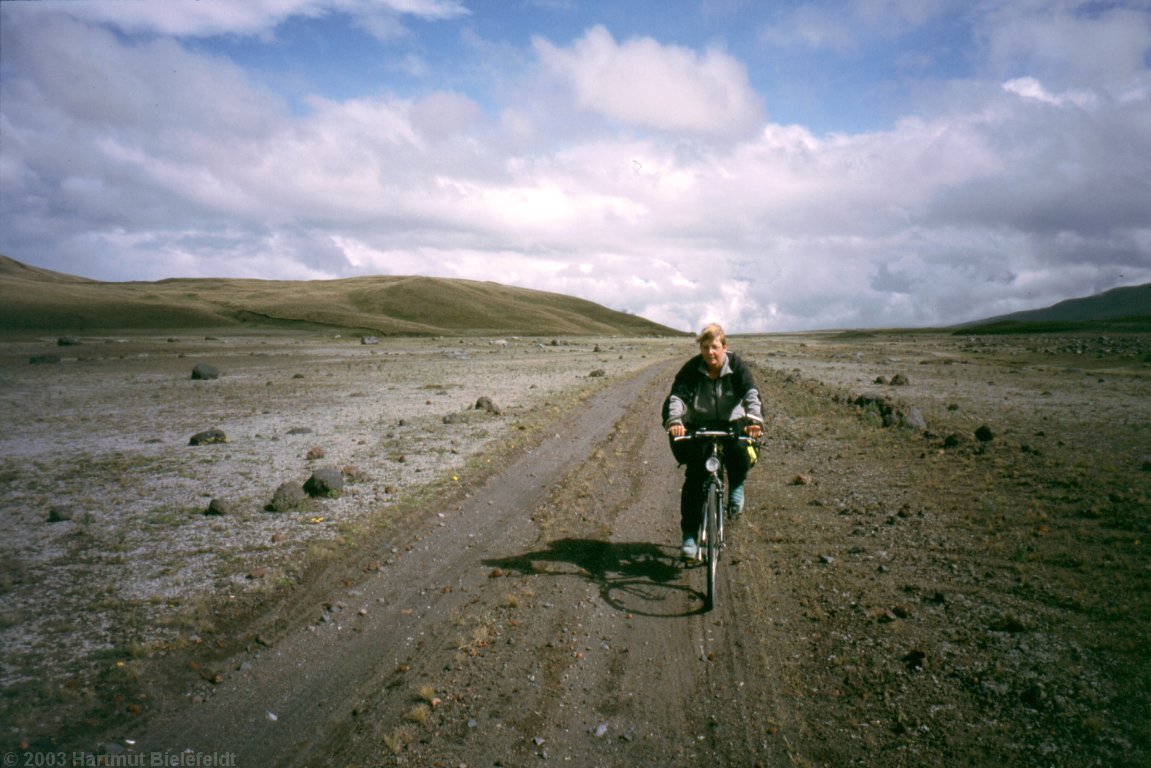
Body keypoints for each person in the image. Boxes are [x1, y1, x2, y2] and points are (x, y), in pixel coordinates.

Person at [663, 323, 764, 559]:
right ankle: (689, 535)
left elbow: (751, 393)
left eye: (715, 347)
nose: (710, 352)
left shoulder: (737, 366)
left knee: (740, 450)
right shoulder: (691, 369)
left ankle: (737, 486)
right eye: (705, 347)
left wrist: (755, 421)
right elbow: (677, 395)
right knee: (695, 476)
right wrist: (675, 420)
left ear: (724, 347)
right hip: (700, 424)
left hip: (732, 421)